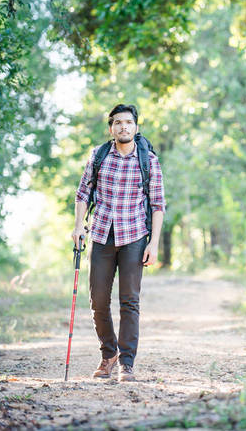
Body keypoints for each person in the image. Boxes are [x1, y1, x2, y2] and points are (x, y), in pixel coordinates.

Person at [72, 103, 165, 382]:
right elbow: (82, 194)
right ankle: (108, 353)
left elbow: (158, 204)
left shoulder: (148, 160)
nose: (123, 126)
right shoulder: (98, 156)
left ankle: (126, 363)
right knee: (98, 301)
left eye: (128, 122)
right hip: (101, 234)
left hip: (134, 236)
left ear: (136, 127)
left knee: (129, 301)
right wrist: (78, 226)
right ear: (111, 128)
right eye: (118, 123)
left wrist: (154, 243)